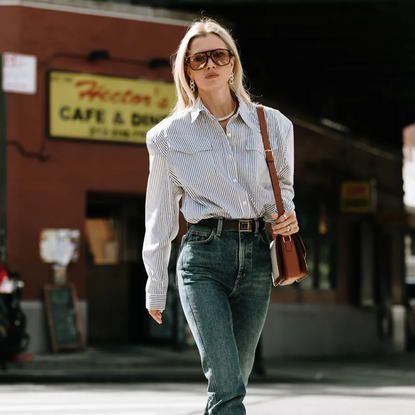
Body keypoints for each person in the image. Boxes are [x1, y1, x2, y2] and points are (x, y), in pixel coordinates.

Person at [142, 17, 299, 415]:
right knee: (226, 383)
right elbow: (159, 215)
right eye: (199, 59)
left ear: (232, 64)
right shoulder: (167, 136)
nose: (210, 63)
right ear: (188, 71)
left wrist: (287, 216)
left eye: (219, 55)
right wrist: (156, 283)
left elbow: (283, 188)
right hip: (202, 257)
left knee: (235, 380)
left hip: (258, 256)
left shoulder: (274, 124)